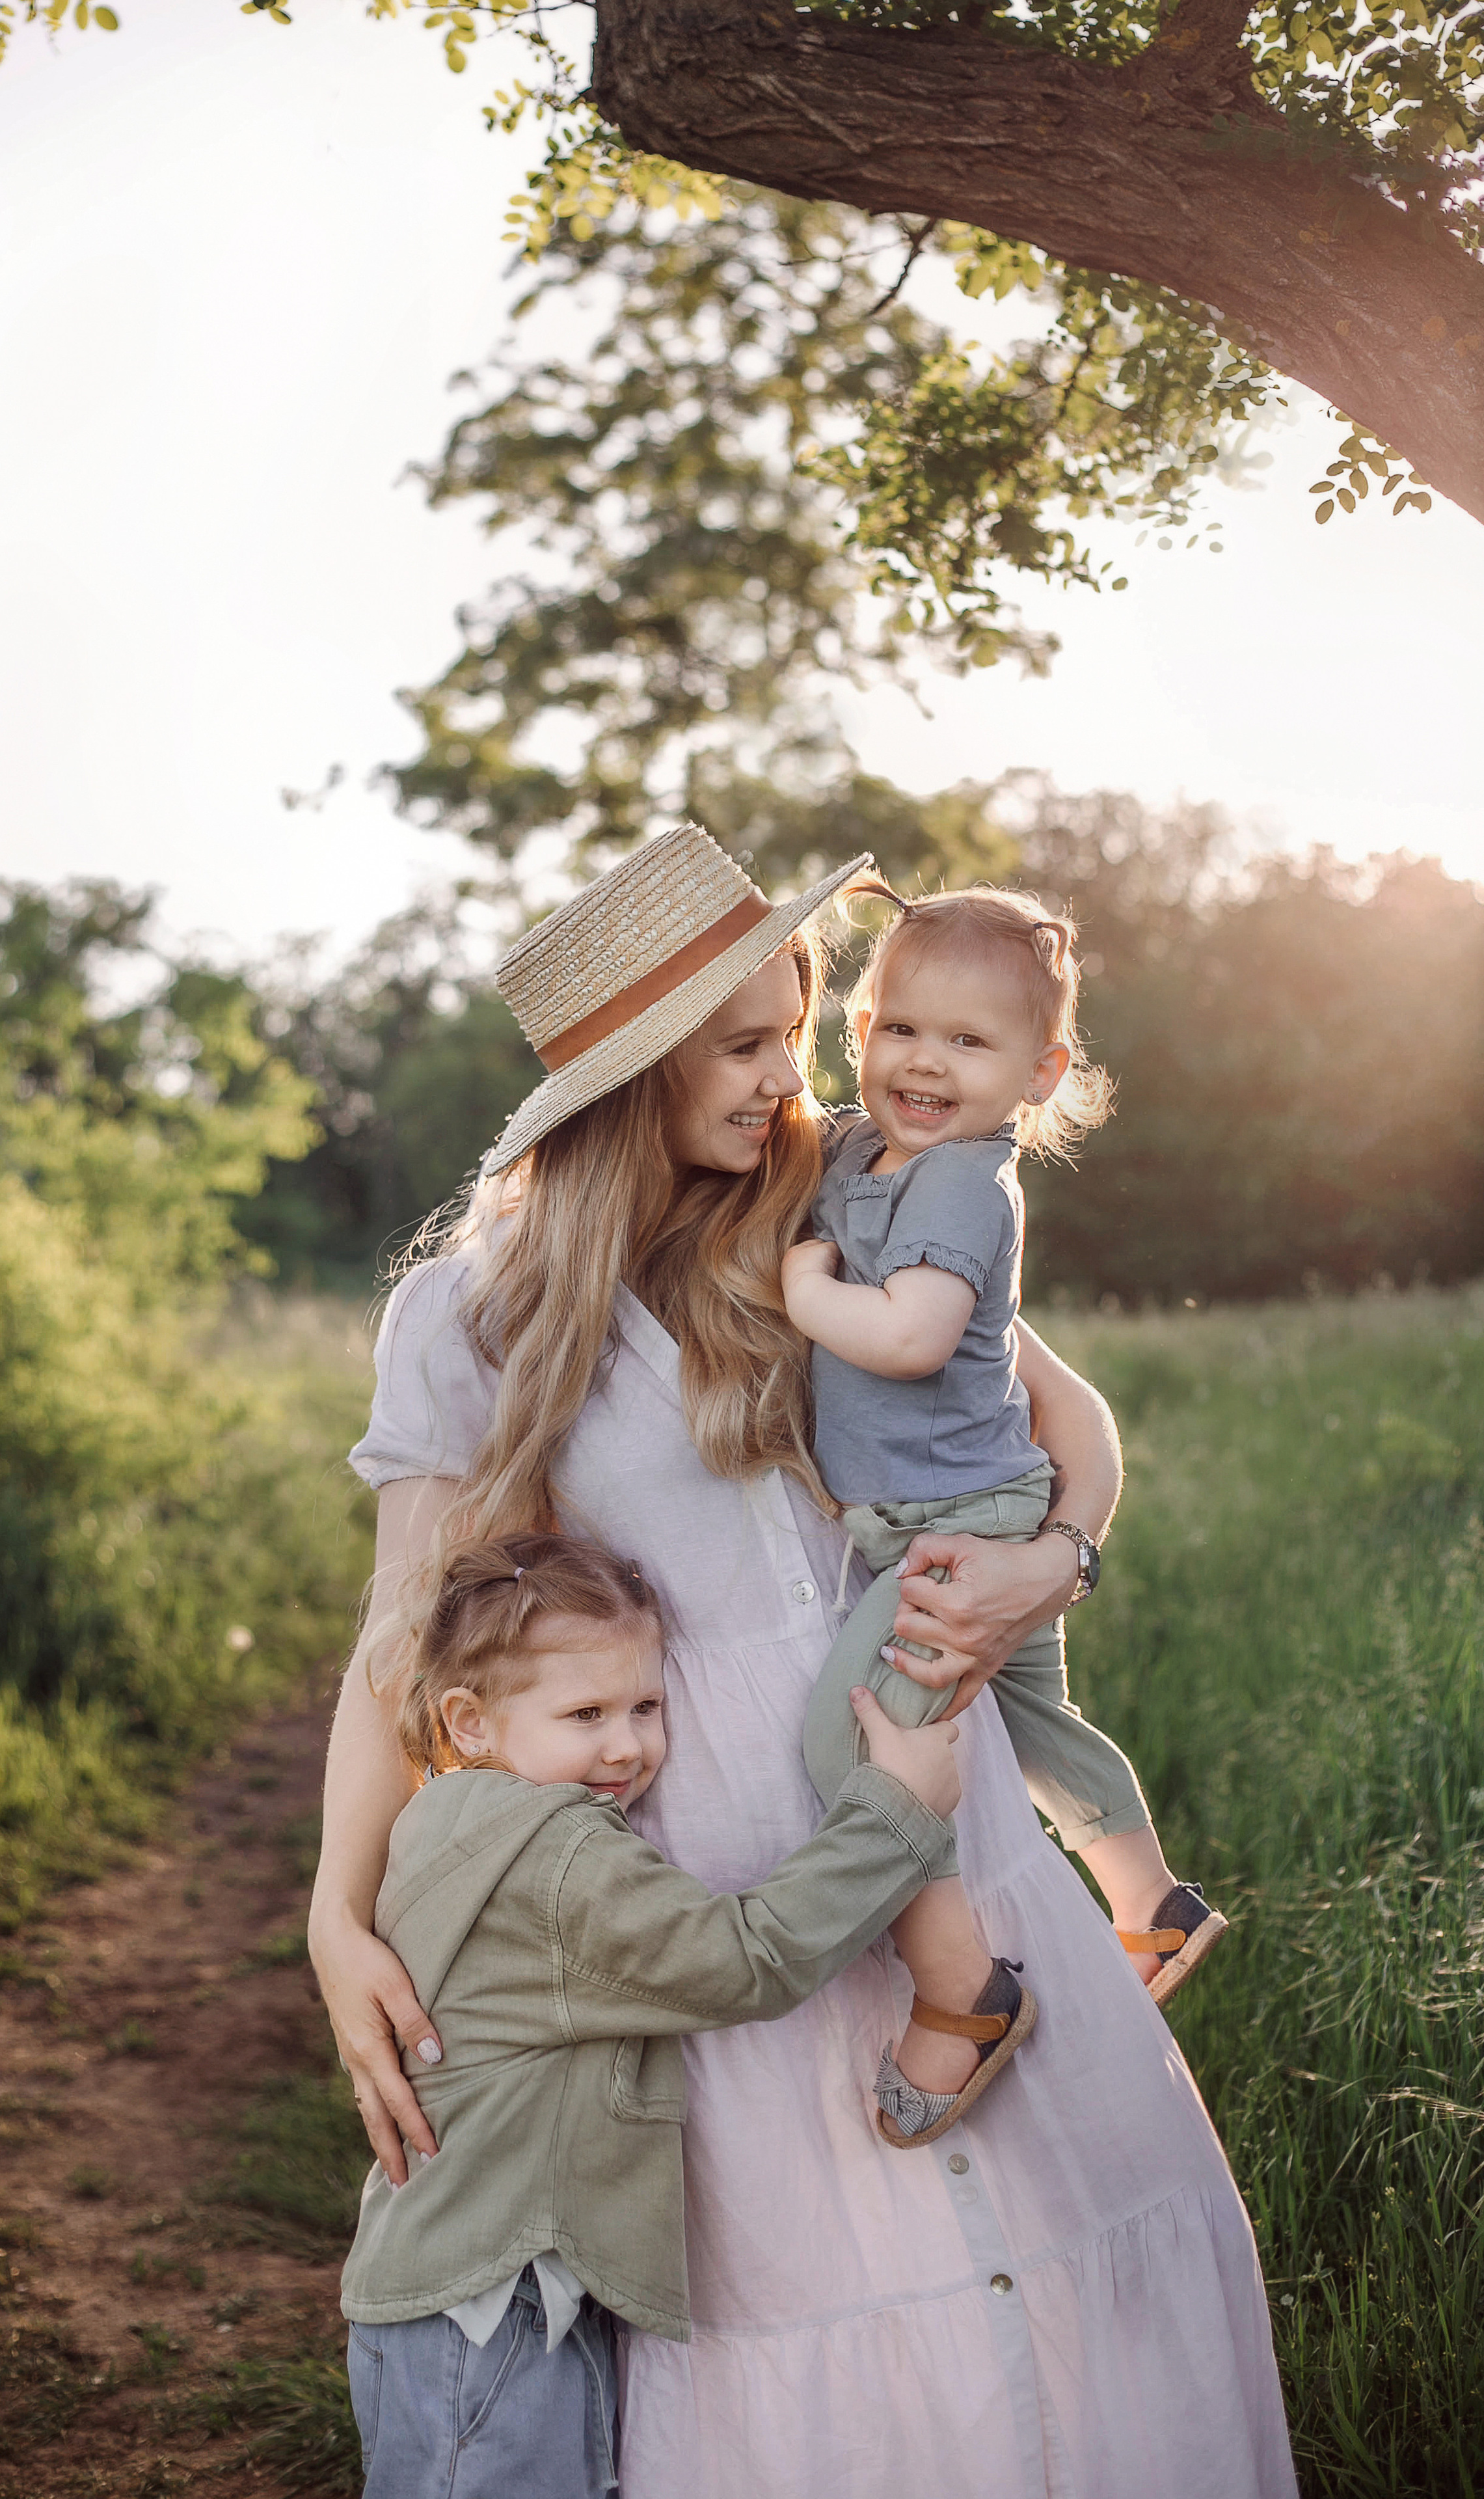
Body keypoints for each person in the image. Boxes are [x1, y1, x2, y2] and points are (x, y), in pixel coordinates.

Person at [310, 823, 1297, 2498]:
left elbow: (1070, 1422)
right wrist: (337, 1915)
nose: (795, 1075)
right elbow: (402, 1644)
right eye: (751, 1041)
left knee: (1073, 2236)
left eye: (797, 1024)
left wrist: (1049, 1565)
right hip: (716, 1872)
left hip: (941, 1791)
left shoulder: (841, 1195)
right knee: (822, 2297)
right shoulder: (472, 1315)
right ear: (632, 1075)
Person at [341, 1528, 964, 2499]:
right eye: (585, 1712)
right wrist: (892, 1815)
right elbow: (740, 1960)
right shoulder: (556, 1853)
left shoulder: (443, 1818)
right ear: (468, 1720)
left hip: (446, 2288)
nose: (626, 1745)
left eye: (646, 1705)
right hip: (494, 2310)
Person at [787, 882, 1226, 2150]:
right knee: (1034, 1721)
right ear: (859, 1026)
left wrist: (800, 1289)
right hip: (981, 1500)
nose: (924, 1063)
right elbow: (802, 1135)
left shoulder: (964, 1188)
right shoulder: (870, 1152)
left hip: (952, 1529)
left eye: (968, 1044)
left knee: (852, 1741)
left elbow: (915, 1338)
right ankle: (1150, 1899)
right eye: (900, 1029)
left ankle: (960, 1993)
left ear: (1036, 1074)